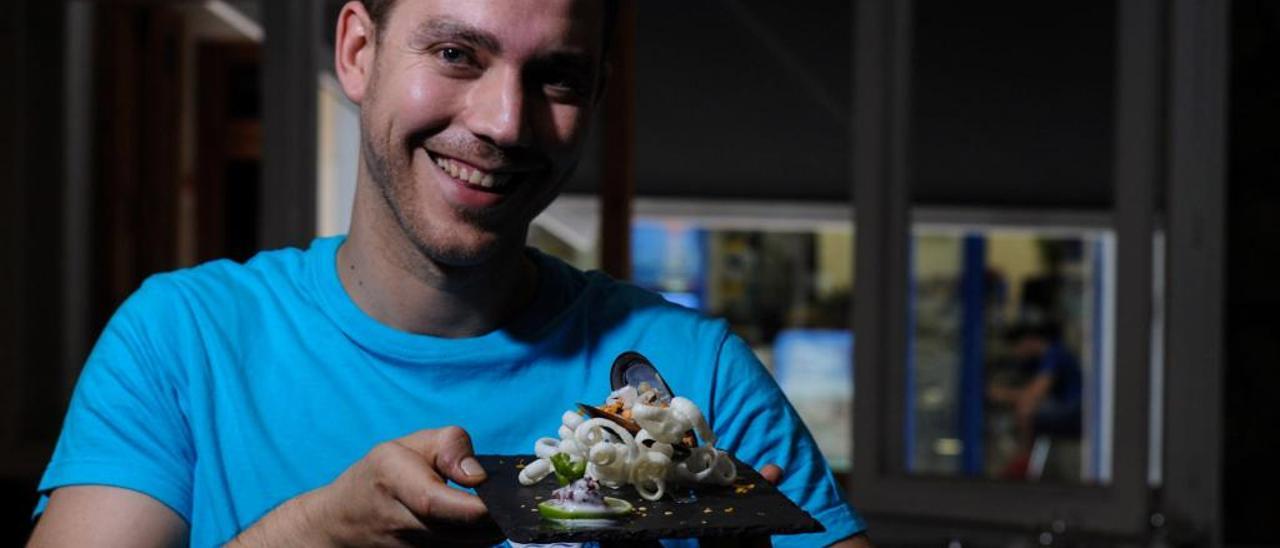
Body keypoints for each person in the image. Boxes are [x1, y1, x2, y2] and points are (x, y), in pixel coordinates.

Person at [28, 1, 869, 546]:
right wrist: (315, 534)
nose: (506, 122)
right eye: (458, 53)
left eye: (557, 78)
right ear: (358, 52)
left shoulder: (699, 375)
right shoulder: (181, 340)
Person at [988, 320, 1083, 480]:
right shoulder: (1044, 358)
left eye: (1017, 348)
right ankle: (1023, 460)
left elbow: (1035, 393)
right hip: (1069, 411)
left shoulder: (1054, 354)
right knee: (1027, 409)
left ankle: (1023, 461)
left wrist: (1002, 394)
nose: (1017, 354)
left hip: (1077, 413)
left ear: (1028, 341)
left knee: (1027, 410)